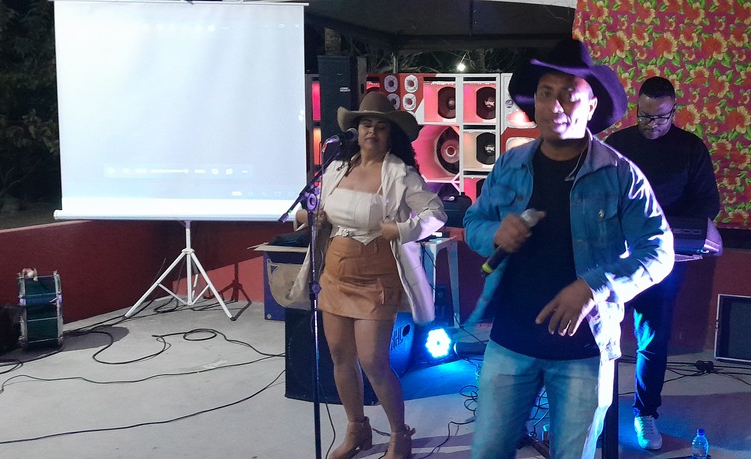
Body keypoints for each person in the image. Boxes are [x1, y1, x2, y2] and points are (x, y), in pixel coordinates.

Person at [463, 39, 674, 459]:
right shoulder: (509, 165)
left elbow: (659, 250)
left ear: (591, 106)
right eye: (545, 93)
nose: (554, 105)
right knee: (486, 451)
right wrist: (495, 234)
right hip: (510, 341)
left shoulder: (620, 175)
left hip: (584, 349)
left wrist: (595, 286)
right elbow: (474, 223)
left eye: (568, 95)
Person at [297, 91, 446, 459]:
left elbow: (436, 214)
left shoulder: (400, 174)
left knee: (373, 361)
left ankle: (399, 434)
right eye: (366, 124)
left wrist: (404, 229)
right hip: (334, 276)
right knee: (339, 355)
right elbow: (309, 208)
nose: (372, 132)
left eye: (381, 126)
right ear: (356, 129)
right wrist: (309, 217)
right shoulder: (336, 169)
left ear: (390, 134)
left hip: (376, 279)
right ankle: (357, 428)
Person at [604, 76, 721, 450]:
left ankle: (646, 413)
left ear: (674, 111)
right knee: (599, 333)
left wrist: (675, 230)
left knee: (652, 339)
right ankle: (595, 409)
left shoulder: (690, 148)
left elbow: (708, 203)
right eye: (644, 116)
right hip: (615, 253)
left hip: (663, 257)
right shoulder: (617, 145)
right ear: (637, 108)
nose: (652, 125)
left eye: (661, 118)